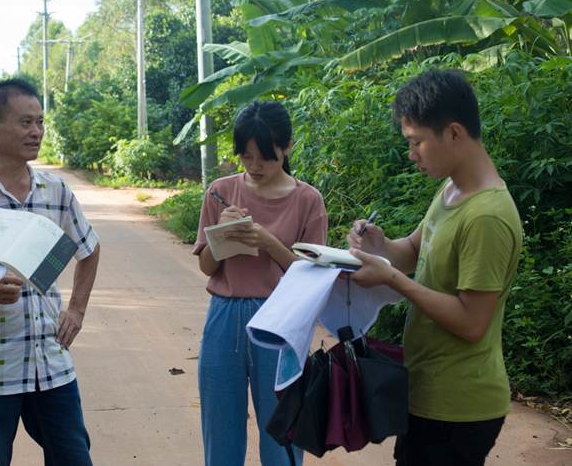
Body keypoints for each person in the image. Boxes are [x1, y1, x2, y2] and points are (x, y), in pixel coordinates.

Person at [346, 69, 522, 466]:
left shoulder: (487, 216)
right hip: (429, 392)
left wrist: (390, 277)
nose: (412, 155)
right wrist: (380, 246)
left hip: (459, 406)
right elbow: (411, 251)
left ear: (454, 133)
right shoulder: (451, 191)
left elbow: (471, 322)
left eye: (417, 142)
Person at [0, 78, 101, 466]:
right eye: (26, 122)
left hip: (50, 361)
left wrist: (75, 310)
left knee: (75, 459)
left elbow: (88, 251)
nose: (37, 131)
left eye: (40, 122)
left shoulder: (55, 192)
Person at [193, 100, 328, 466]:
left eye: (264, 158)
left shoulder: (308, 200)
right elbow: (207, 266)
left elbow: (313, 276)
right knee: (220, 430)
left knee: (281, 432)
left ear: (286, 148)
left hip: (282, 322)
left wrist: (267, 241)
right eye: (246, 157)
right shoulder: (220, 191)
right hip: (224, 317)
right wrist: (223, 233)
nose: (254, 167)